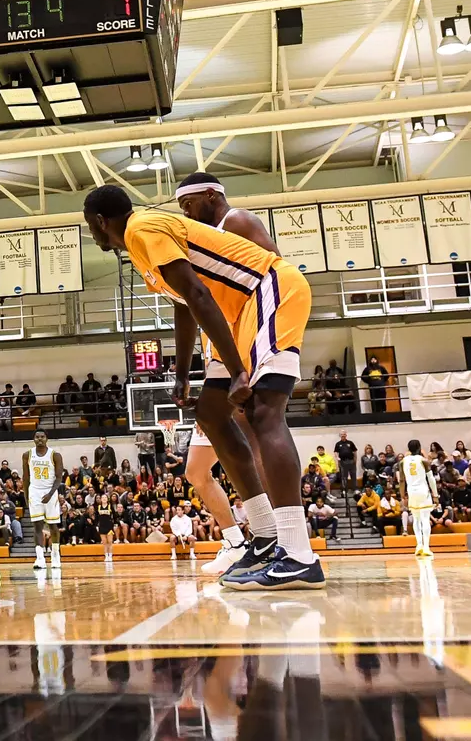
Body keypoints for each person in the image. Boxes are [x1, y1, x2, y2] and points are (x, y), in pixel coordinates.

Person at [85, 184, 320, 591]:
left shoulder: (142, 228)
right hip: (241, 313)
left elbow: (198, 295)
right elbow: (183, 303)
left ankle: (299, 554)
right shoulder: (142, 244)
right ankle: (264, 537)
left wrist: (236, 370)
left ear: (100, 222)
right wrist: (180, 372)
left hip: (269, 290)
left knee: (263, 412)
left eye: (89, 226)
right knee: (211, 414)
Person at [169, 171, 284, 577]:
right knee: (201, 456)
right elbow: (187, 304)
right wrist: (185, 373)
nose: (185, 213)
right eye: (180, 208)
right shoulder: (198, 245)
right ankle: (249, 538)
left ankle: (281, 538)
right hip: (221, 351)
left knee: (255, 435)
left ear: (212, 194)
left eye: (189, 204)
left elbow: (273, 276)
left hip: (250, 338)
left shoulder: (236, 222)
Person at [24, 429, 64, 575]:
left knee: (53, 526)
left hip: (50, 491)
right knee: (37, 526)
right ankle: (40, 558)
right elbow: (25, 478)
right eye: (37, 437)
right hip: (34, 491)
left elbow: (59, 478)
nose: (40, 439)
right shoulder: (27, 455)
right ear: (34, 439)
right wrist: (26, 496)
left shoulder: (55, 455)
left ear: (46, 438)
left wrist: (51, 493)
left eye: (42, 437)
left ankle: (55, 555)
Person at [399, 439, 439, 558]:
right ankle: (426, 547)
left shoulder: (402, 462)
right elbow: (431, 479)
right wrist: (435, 495)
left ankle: (419, 545)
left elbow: (401, 480)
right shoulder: (423, 461)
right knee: (425, 519)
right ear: (419, 448)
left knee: (416, 519)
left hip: (411, 491)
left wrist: (402, 496)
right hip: (423, 491)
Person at [333, 431, 358, 497]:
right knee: (344, 477)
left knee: (353, 476)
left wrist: (355, 459)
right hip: (343, 462)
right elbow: (335, 452)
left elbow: (355, 451)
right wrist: (337, 457)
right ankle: (344, 490)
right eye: (341, 434)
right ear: (340, 435)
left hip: (351, 461)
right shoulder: (338, 444)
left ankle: (355, 489)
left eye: (344, 434)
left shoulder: (350, 443)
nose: (343, 435)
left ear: (346, 435)